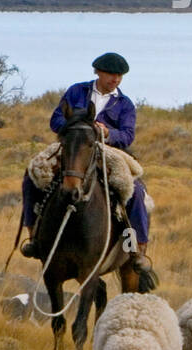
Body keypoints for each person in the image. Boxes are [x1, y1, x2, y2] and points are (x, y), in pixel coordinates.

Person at [20, 52, 153, 279]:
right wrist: (80, 125)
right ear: (98, 72)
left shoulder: (125, 104)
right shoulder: (76, 91)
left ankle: (136, 248)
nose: (116, 79)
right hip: (73, 145)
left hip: (110, 151)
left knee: (136, 192)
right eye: (112, 74)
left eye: (120, 76)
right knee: (32, 174)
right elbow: (56, 120)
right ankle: (33, 236)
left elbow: (128, 135)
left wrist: (108, 132)